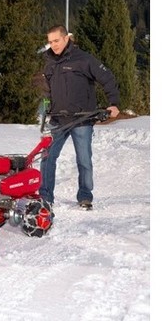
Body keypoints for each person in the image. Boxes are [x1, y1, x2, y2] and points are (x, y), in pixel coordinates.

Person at [39, 25, 120, 210]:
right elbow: (47, 90)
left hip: (82, 119)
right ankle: (45, 197)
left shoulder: (84, 59)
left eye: (56, 41)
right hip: (58, 119)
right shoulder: (49, 62)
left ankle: (85, 196)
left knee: (83, 159)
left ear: (66, 38)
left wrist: (113, 103)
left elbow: (107, 77)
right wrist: (45, 107)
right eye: (50, 42)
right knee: (47, 157)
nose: (53, 45)